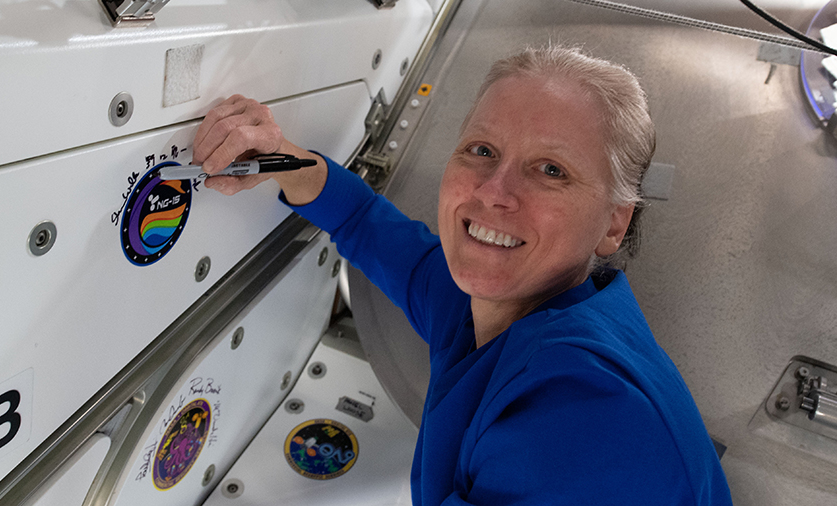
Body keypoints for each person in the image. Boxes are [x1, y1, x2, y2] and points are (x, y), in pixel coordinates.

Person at [193, 45, 732, 505]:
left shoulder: (593, 419)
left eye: (551, 170)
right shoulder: (489, 307)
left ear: (614, 224)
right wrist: (276, 157)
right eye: (482, 151)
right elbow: (362, 220)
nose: (493, 192)